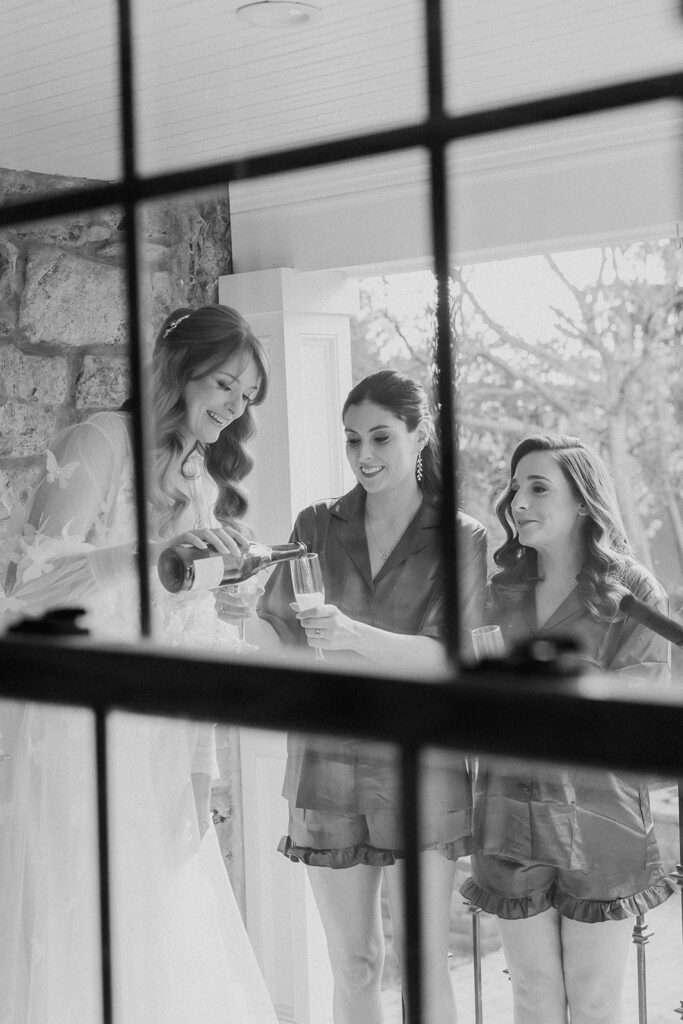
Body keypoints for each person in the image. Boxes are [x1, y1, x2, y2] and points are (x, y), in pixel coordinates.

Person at [0, 305, 278, 1024]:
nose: (232, 407)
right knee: (78, 923)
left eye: (245, 397)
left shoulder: (202, 484)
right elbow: (26, 586)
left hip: (158, 736)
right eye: (224, 384)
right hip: (74, 723)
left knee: (158, 922)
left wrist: (229, 607)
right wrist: (153, 553)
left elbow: (186, 634)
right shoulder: (98, 440)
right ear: (177, 371)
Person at [254, 369, 487, 1024]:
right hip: (326, 764)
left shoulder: (460, 538)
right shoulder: (313, 525)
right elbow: (276, 639)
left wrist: (351, 633)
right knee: (352, 962)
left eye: (381, 437)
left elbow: (454, 655)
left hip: (422, 767)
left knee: (420, 959)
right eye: (352, 439)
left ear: (419, 436)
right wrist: (235, 611)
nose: (364, 455)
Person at [460, 434, 675, 1024]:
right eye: (515, 486)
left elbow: (639, 707)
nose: (518, 500)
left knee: (594, 999)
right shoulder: (497, 592)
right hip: (508, 812)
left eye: (538, 487)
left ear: (582, 501)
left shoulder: (631, 593)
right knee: (530, 993)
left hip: (598, 820)